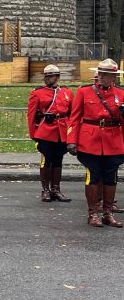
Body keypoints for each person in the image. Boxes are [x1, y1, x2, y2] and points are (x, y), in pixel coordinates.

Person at [66, 59, 124, 227]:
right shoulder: (84, 91)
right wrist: (71, 140)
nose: (101, 77)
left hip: (113, 141)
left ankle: (108, 213)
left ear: (113, 77)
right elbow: (74, 118)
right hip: (89, 141)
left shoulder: (120, 94)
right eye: (100, 74)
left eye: (106, 75)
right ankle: (93, 213)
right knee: (93, 176)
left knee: (111, 178)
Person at [28, 64, 73, 202]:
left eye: (51, 76)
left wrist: (71, 134)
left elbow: (72, 114)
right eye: (46, 76)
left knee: (58, 160)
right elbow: (31, 115)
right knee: (46, 160)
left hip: (61, 131)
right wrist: (33, 134)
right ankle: (45, 190)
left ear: (58, 77)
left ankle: (56, 189)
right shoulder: (37, 93)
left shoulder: (67, 92)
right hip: (45, 132)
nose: (48, 79)